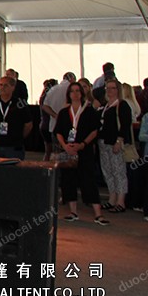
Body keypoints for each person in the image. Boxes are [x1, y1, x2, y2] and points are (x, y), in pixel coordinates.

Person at [55, 82, 106, 225]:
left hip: (85, 151)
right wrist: (65, 146)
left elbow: (95, 131)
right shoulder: (64, 113)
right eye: (72, 91)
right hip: (69, 151)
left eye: (78, 91)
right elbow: (58, 132)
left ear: (82, 93)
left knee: (88, 180)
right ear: (69, 94)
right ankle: (73, 211)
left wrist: (82, 145)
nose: (75, 94)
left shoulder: (89, 111)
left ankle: (98, 214)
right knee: (69, 180)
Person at [97, 78, 132, 214]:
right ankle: (112, 198)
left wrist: (119, 140)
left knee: (119, 172)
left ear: (118, 90)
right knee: (108, 171)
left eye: (113, 88)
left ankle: (121, 201)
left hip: (115, 143)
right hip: (103, 142)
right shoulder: (105, 105)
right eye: (108, 88)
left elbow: (125, 125)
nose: (110, 91)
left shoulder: (122, 105)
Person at [0, 76, 30, 160]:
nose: (2, 88)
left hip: (14, 146)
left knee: (13, 171)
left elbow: (28, 124)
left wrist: (19, 137)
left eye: (6, 85)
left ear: (13, 87)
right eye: (1, 85)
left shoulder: (20, 105)